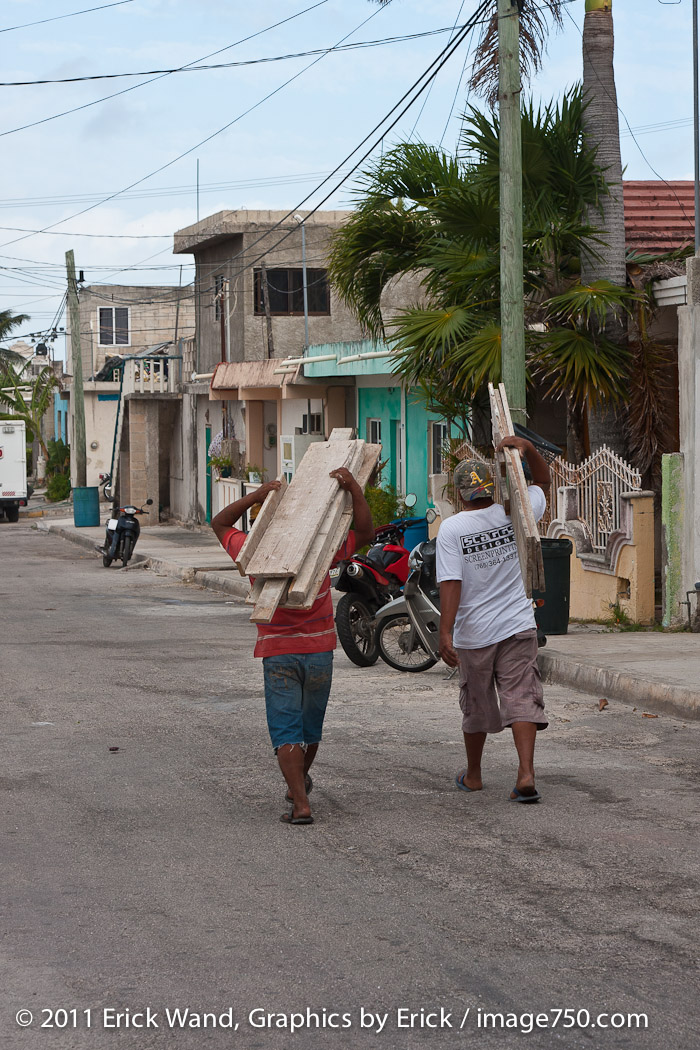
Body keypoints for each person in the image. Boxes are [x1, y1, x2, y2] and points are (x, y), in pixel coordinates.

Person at [211, 468, 374, 826]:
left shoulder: (253, 551)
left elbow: (220, 523)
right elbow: (365, 532)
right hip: (319, 651)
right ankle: (297, 786)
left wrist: (255, 496)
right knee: (309, 728)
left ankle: (300, 802)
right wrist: (354, 490)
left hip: (277, 652)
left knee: (286, 730)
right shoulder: (321, 548)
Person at [436, 437, 551, 804]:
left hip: (476, 634)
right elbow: (544, 484)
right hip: (518, 624)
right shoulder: (514, 510)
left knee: (477, 701)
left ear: (460, 494)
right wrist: (528, 450)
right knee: (521, 696)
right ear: (491, 486)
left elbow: (451, 582)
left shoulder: (453, 529)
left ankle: (474, 775)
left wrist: (445, 630)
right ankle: (526, 772)